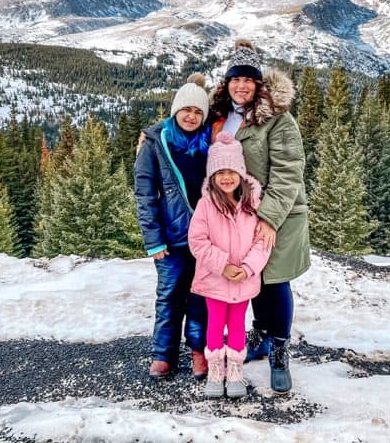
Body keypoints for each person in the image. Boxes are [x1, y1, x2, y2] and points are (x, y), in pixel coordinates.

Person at [208, 39, 311, 394]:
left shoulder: (279, 121)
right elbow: (183, 128)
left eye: (248, 81)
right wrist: (151, 137)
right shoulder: (221, 116)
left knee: (273, 280)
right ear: (227, 82)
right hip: (238, 217)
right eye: (235, 79)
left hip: (276, 216)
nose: (241, 86)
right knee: (249, 280)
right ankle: (262, 337)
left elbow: (288, 172)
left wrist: (268, 219)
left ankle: (279, 349)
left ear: (258, 84)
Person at [133, 74, 210, 380]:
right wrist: (153, 239)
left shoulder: (211, 142)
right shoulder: (155, 142)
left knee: (200, 296)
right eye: (186, 110)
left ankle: (198, 351)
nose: (191, 116)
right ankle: (163, 354)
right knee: (169, 295)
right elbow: (145, 193)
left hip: (206, 237)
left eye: (197, 112)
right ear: (175, 110)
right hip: (170, 236)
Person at [188, 131, 271, 399]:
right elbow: (197, 241)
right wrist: (222, 265)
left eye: (231, 171)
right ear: (212, 176)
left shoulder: (252, 204)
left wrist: (247, 269)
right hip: (215, 279)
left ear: (241, 173)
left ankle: (234, 370)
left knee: (236, 324)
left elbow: (262, 243)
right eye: (220, 171)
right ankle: (216, 370)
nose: (226, 177)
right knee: (214, 324)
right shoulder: (206, 205)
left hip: (243, 280)